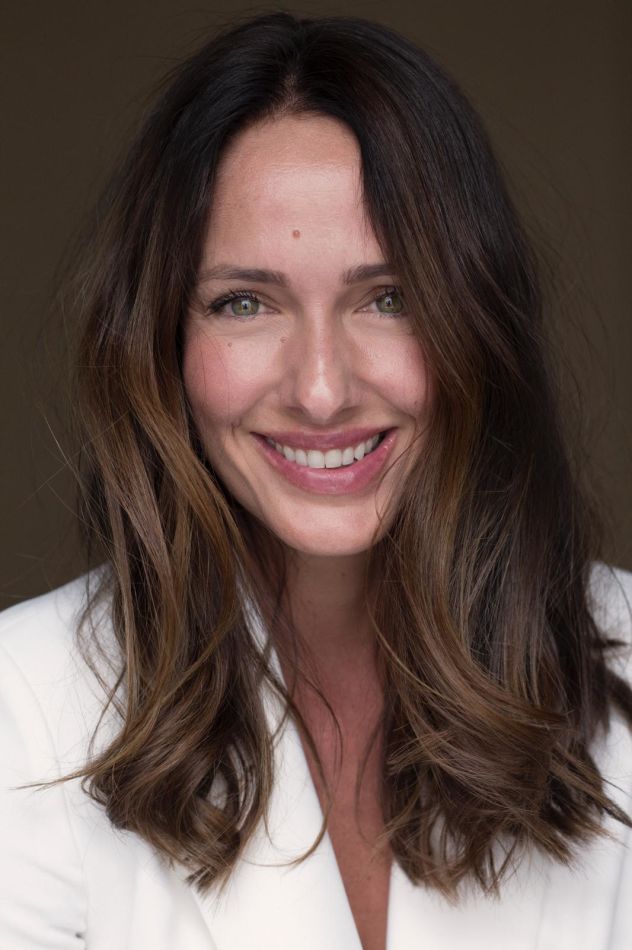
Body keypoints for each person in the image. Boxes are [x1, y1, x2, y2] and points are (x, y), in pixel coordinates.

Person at [1, 10, 631, 949]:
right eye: (244, 303)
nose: (323, 389)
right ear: (162, 343)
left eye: (390, 298)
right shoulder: (22, 706)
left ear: (477, 327)